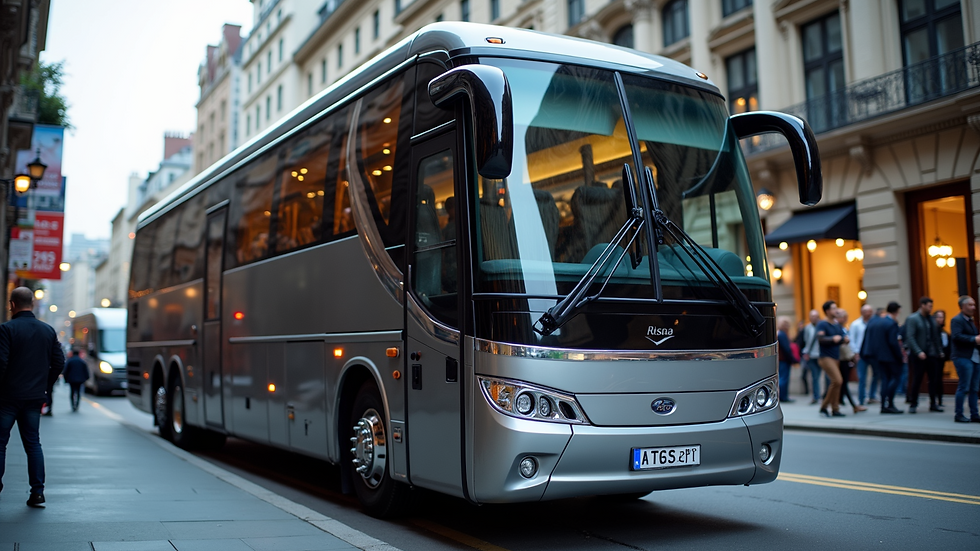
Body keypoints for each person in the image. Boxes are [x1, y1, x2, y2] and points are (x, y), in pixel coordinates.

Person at [0, 287, 66, 507]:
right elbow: (58, 362)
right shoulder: (47, 331)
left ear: (12, 305)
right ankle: (37, 493)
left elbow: (1, 363)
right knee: (33, 444)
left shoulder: (6, 330)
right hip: (34, 398)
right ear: (33, 304)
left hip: (8, 398)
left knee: (0, 445)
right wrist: (45, 386)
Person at [863, 301, 905, 414]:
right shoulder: (891, 323)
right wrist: (900, 356)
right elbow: (893, 342)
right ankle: (889, 403)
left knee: (884, 380)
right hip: (890, 357)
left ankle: (883, 405)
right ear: (896, 311)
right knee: (895, 378)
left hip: (879, 356)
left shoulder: (879, 322)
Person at [904, 296, 944, 413]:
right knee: (917, 379)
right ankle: (913, 403)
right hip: (919, 355)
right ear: (922, 305)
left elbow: (936, 337)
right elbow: (910, 337)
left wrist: (939, 351)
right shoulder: (913, 318)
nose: (931, 308)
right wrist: (918, 351)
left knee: (933, 379)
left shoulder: (931, 319)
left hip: (932, 354)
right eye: (929, 306)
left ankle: (933, 403)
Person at [949, 295, 980, 423]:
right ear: (962, 306)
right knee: (964, 386)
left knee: (974, 388)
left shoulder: (970, 320)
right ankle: (959, 414)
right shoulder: (956, 320)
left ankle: (974, 414)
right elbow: (956, 336)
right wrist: (974, 339)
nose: (973, 307)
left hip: (975, 357)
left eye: (974, 304)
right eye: (970, 305)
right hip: (963, 357)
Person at [816, 301, 847, 417]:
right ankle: (824, 406)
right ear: (828, 311)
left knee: (836, 383)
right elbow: (820, 338)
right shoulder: (822, 324)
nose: (836, 310)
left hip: (836, 357)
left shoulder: (836, 324)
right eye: (834, 308)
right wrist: (832, 338)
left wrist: (845, 339)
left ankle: (835, 409)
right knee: (837, 381)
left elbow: (841, 337)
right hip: (825, 357)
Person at [836, 309, 866, 413]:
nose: (845, 319)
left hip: (845, 357)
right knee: (841, 382)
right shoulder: (838, 328)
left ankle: (839, 401)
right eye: (843, 317)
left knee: (841, 382)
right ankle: (853, 405)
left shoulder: (843, 328)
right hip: (841, 358)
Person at [850, 304, 878, 405]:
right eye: (866, 311)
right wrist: (855, 352)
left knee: (876, 375)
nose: (869, 313)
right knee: (862, 377)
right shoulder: (856, 324)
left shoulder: (874, 323)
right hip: (861, 354)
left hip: (873, 354)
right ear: (862, 312)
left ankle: (872, 396)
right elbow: (852, 339)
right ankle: (861, 399)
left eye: (870, 311)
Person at [801, 310, 822, 405]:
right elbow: (806, 341)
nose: (814, 318)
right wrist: (806, 353)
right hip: (811, 355)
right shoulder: (807, 328)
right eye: (812, 316)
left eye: (815, 316)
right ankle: (816, 396)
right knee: (815, 377)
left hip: (822, 355)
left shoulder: (822, 326)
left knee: (827, 377)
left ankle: (826, 395)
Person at [776, 317, 795, 403]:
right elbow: (786, 349)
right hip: (783, 359)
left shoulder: (779, 333)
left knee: (782, 378)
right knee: (784, 378)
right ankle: (783, 396)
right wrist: (792, 359)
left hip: (781, 359)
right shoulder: (782, 334)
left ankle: (782, 396)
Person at [935, 309, 950, 407]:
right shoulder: (933, 331)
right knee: (935, 379)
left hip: (942, 358)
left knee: (939, 378)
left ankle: (940, 399)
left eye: (942, 317)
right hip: (934, 358)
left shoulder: (944, 332)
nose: (941, 319)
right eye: (939, 317)